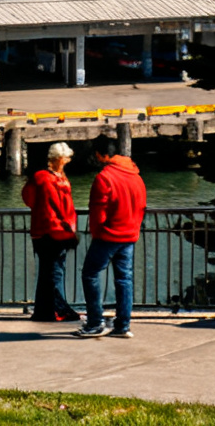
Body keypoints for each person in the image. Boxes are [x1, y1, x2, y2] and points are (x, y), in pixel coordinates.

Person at [77, 143, 147, 338]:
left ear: (102, 155)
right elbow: (142, 206)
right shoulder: (136, 176)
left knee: (90, 274)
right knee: (124, 279)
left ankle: (94, 322)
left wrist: (96, 232)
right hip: (130, 235)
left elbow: (97, 211)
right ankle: (123, 325)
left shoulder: (104, 178)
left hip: (108, 235)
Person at [23, 142, 80, 323]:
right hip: (56, 231)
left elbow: (28, 197)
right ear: (60, 159)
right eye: (67, 158)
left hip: (41, 231)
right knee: (55, 272)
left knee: (46, 272)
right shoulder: (58, 180)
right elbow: (62, 209)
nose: (68, 161)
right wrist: (68, 229)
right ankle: (57, 309)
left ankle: (43, 310)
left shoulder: (40, 177)